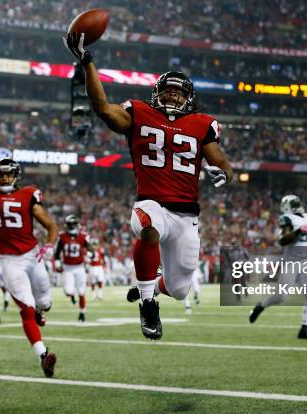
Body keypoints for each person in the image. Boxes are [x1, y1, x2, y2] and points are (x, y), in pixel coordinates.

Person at [66, 31, 233, 339]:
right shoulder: (139, 112)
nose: (173, 95)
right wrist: (87, 61)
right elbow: (102, 108)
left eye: (179, 93)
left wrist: (218, 171)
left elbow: (223, 164)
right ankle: (146, 302)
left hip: (186, 216)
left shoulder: (201, 124)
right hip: (151, 203)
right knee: (148, 226)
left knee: (181, 290)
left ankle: (153, 287)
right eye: (168, 91)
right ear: (157, 93)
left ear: (188, 99)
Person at [0, 119, 59, 378]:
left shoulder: (29, 194)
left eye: (9, 174)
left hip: (33, 255)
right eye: (1, 174)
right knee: (25, 310)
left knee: (45, 304)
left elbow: (51, 225)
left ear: (15, 176)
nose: (5, 177)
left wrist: (49, 245)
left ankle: (41, 312)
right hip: (9, 260)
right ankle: (43, 354)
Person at [249, 195, 307, 339]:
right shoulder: (287, 218)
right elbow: (284, 240)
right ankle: (260, 306)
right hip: (291, 261)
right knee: (281, 296)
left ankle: (304, 329)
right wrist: (299, 231)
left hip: (306, 261)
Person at [54, 215, 90, 322]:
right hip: (67, 267)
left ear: (77, 224)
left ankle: (82, 313)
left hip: (79, 267)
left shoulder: (83, 236)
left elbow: (90, 249)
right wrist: (57, 263)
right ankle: (72, 295)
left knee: (82, 292)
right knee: (68, 291)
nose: (72, 226)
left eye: (73, 224)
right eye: (70, 224)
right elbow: (57, 253)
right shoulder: (62, 236)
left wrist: (90, 254)